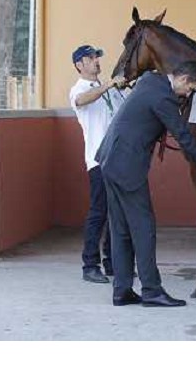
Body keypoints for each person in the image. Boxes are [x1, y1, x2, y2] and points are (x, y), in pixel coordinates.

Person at [96, 60, 196, 308]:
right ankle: (152, 290)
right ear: (183, 80)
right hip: (127, 165)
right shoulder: (164, 99)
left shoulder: (151, 80)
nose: (189, 94)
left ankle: (121, 290)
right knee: (144, 228)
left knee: (120, 229)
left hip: (109, 159)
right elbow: (184, 138)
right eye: (190, 89)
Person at [69, 44, 128, 284]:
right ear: (79, 65)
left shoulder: (110, 90)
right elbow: (83, 101)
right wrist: (109, 85)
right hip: (98, 160)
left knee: (118, 213)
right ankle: (89, 265)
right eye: (90, 58)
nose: (95, 61)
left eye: (96, 57)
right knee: (99, 212)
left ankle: (112, 263)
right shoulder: (79, 89)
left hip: (119, 159)